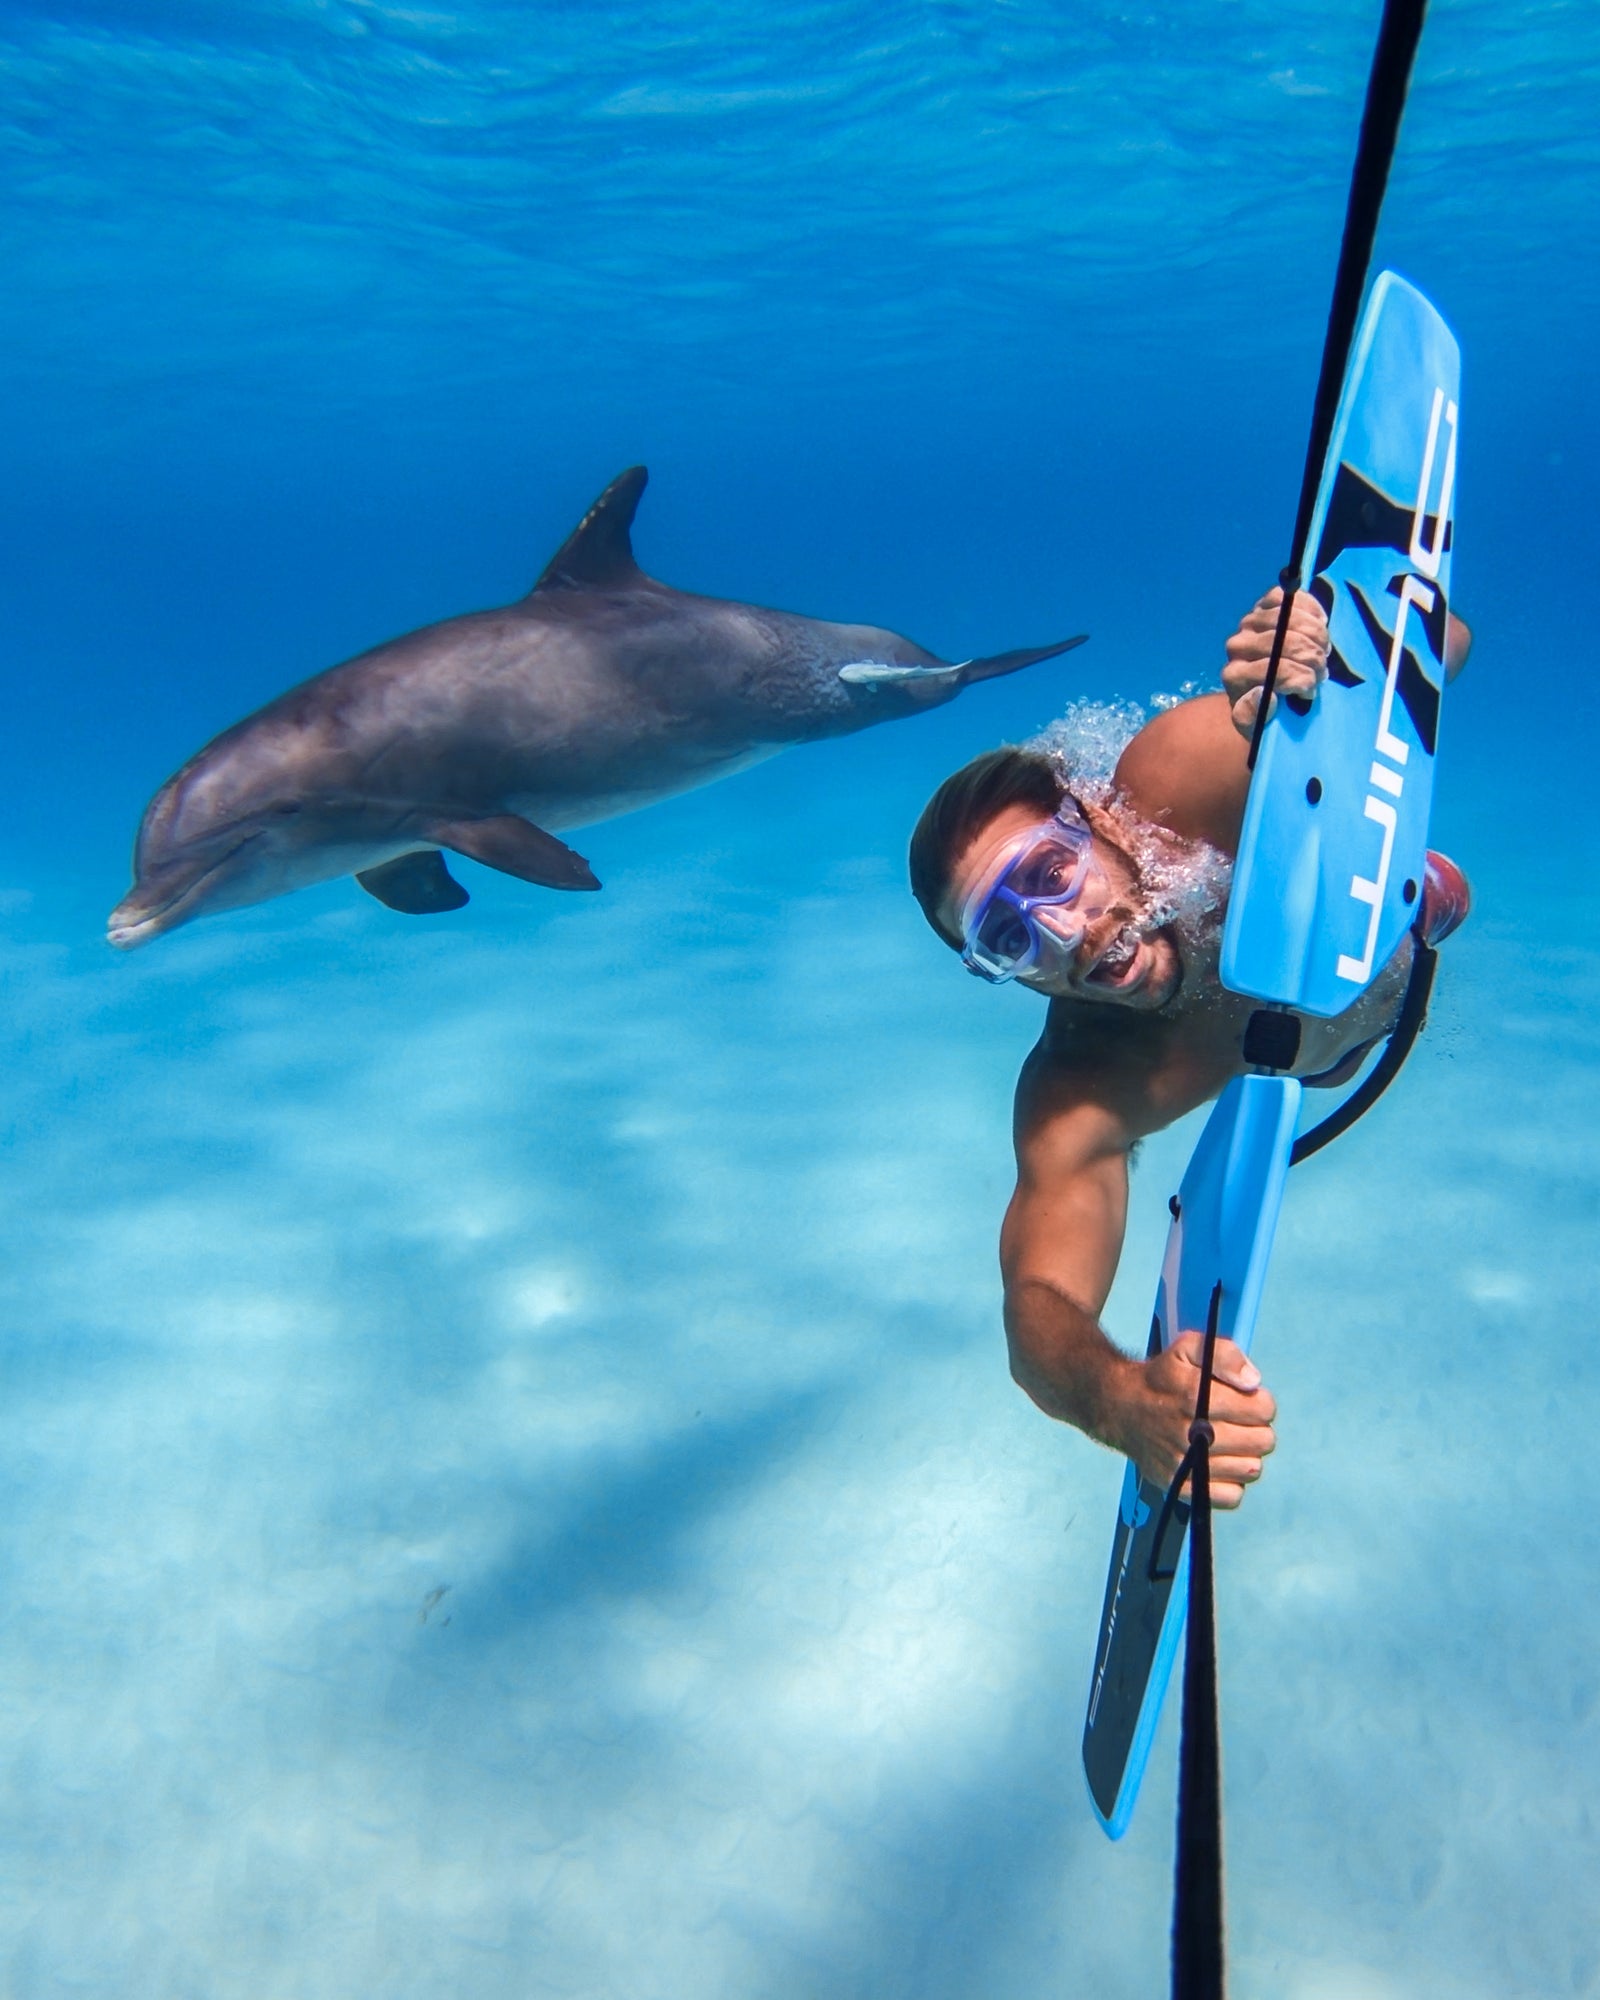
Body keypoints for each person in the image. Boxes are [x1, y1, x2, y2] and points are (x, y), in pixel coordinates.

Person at [908, 589, 1471, 1509]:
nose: (1062, 937)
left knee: (1409, 897)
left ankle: (1422, 892)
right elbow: (1038, 1314)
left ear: (1089, 816)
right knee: (1308, 1048)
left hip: (1373, 937)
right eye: (1007, 941)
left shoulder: (1173, 779)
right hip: (1318, 1059)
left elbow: (1449, 640)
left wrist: (1320, 670)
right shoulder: (1081, 1085)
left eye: (1051, 875)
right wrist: (1120, 1399)